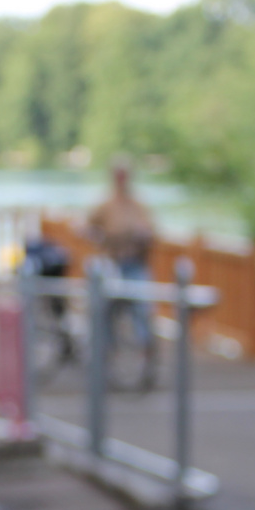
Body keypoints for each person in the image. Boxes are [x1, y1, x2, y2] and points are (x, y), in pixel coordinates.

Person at [85, 159, 158, 387]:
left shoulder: (138, 206)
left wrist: (143, 234)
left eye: (124, 175)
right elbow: (87, 227)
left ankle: (145, 363)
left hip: (135, 265)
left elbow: (153, 232)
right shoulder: (105, 205)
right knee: (106, 314)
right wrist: (101, 237)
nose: (122, 179)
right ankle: (107, 363)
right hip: (113, 266)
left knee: (142, 312)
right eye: (118, 175)